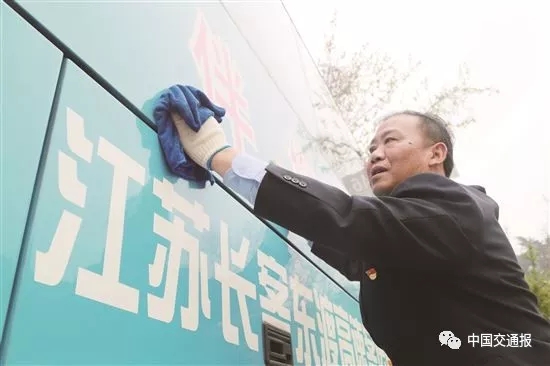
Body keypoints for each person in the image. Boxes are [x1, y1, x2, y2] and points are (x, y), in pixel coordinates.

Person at [171, 109, 550, 365]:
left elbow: (353, 221)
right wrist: (288, 215)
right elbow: (356, 253)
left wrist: (221, 157)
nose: (374, 155)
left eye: (390, 141)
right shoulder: (407, 236)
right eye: (370, 148)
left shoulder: (456, 206)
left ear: (437, 153)